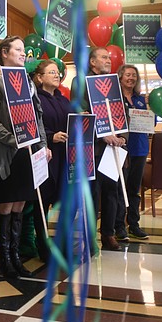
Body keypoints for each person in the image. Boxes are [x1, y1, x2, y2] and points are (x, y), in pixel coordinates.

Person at [0, 36, 50, 278]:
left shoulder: (29, 85)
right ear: (4, 53)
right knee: (5, 203)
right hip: (4, 155)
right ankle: (4, 258)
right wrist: (15, 140)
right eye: (19, 50)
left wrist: (41, 144)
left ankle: (15, 256)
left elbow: (37, 117)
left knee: (20, 203)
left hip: (27, 154)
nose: (24, 54)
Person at [74, 47, 126, 251]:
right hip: (93, 148)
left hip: (114, 148)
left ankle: (108, 235)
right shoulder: (82, 83)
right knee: (93, 194)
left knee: (111, 192)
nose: (109, 60)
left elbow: (123, 113)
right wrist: (103, 135)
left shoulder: (115, 85)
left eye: (109, 57)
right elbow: (81, 113)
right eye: (104, 57)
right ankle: (89, 236)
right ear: (92, 62)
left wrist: (122, 137)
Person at [34, 59, 73, 261]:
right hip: (46, 156)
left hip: (64, 157)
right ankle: (43, 246)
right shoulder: (36, 99)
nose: (57, 75)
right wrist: (51, 136)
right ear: (40, 77)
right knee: (43, 203)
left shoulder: (63, 100)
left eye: (57, 72)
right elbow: (34, 125)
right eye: (51, 72)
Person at [116, 64, 149, 240]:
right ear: (120, 77)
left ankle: (134, 224)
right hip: (122, 147)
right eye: (128, 75)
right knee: (121, 188)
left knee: (134, 189)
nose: (131, 78)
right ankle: (119, 226)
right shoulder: (115, 98)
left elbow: (150, 121)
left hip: (140, 147)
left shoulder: (140, 99)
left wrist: (149, 111)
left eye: (134, 76)